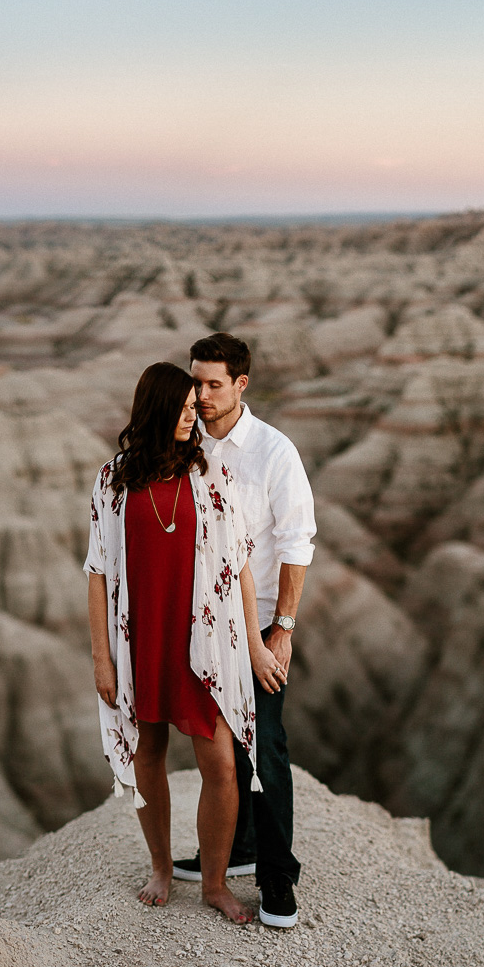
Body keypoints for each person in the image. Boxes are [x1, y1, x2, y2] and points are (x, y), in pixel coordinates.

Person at [84, 362, 286, 924]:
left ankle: (215, 885)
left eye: (196, 407)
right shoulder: (113, 480)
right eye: (182, 407)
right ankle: (161, 867)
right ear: (156, 408)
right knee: (148, 754)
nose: (192, 415)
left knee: (220, 765)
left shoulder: (209, 475)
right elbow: (98, 572)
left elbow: (241, 566)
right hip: (142, 639)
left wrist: (254, 644)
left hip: (203, 643)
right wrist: (102, 659)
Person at [173, 333, 315, 929]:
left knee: (268, 747)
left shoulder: (274, 453)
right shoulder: (183, 445)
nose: (201, 396)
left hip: (257, 626)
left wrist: (282, 629)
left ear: (241, 385)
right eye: (195, 383)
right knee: (219, 749)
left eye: (213, 384)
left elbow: (295, 543)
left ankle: (278, 875)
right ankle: (235, 847)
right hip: (199, 629)